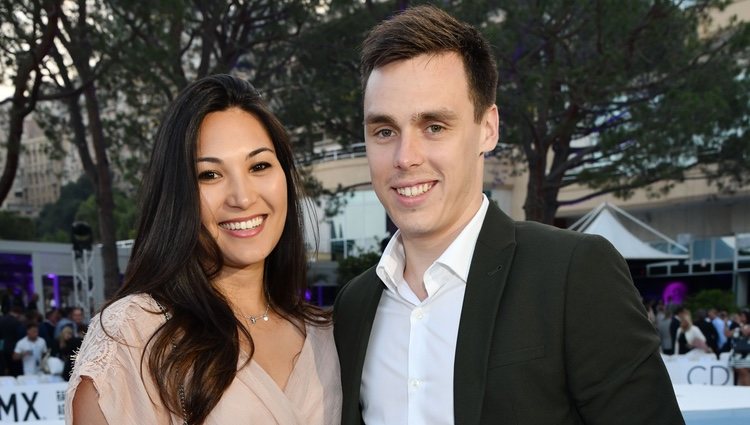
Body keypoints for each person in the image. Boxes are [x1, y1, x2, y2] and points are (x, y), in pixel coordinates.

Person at [333, 5, 684, 424]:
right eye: (385, 131)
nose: (405, 158)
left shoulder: (571, 273)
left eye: (435, 127)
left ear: (488, 128)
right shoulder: (353, 307)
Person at [67, 74, 342, 424]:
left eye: (259, 166)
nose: (242, 198)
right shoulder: (133, 335)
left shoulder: (329, 333)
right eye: (209, 175)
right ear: (178, 195)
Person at [729, 309, 750, 386]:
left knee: (744, 372)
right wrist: (725, 323)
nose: (741, 318)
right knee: (741, 375)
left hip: (746, 354)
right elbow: (727, 334)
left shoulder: (744, 326)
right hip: (738, 354)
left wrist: (739, 323)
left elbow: (745, 333)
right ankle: (744, 392)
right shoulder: (738, 327)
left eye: (742, 316)